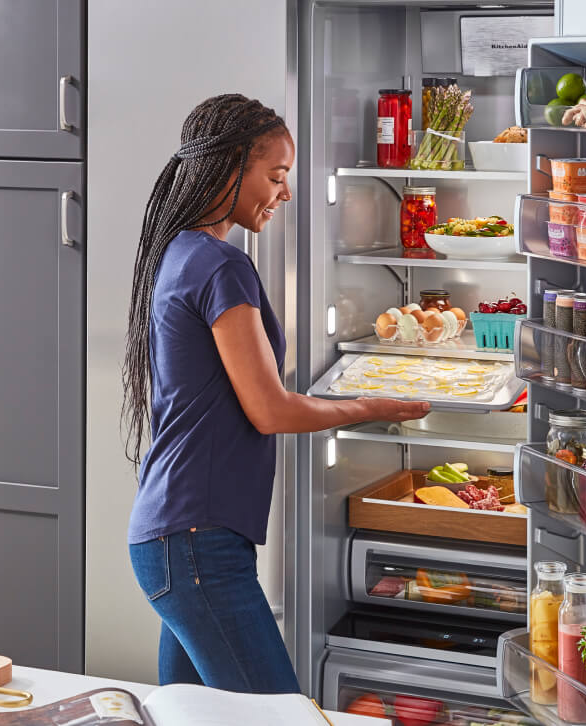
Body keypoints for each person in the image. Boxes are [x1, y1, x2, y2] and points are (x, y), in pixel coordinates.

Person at [121, 94, 431, 693]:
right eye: (277, 175)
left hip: (176, 539)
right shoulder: (221, 266)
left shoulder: (182, 252)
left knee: (195, 715)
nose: (285, 192)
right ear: (231, 165)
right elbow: (270, 410)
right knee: (274, 715)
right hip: (195, 546)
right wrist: (376, 407)